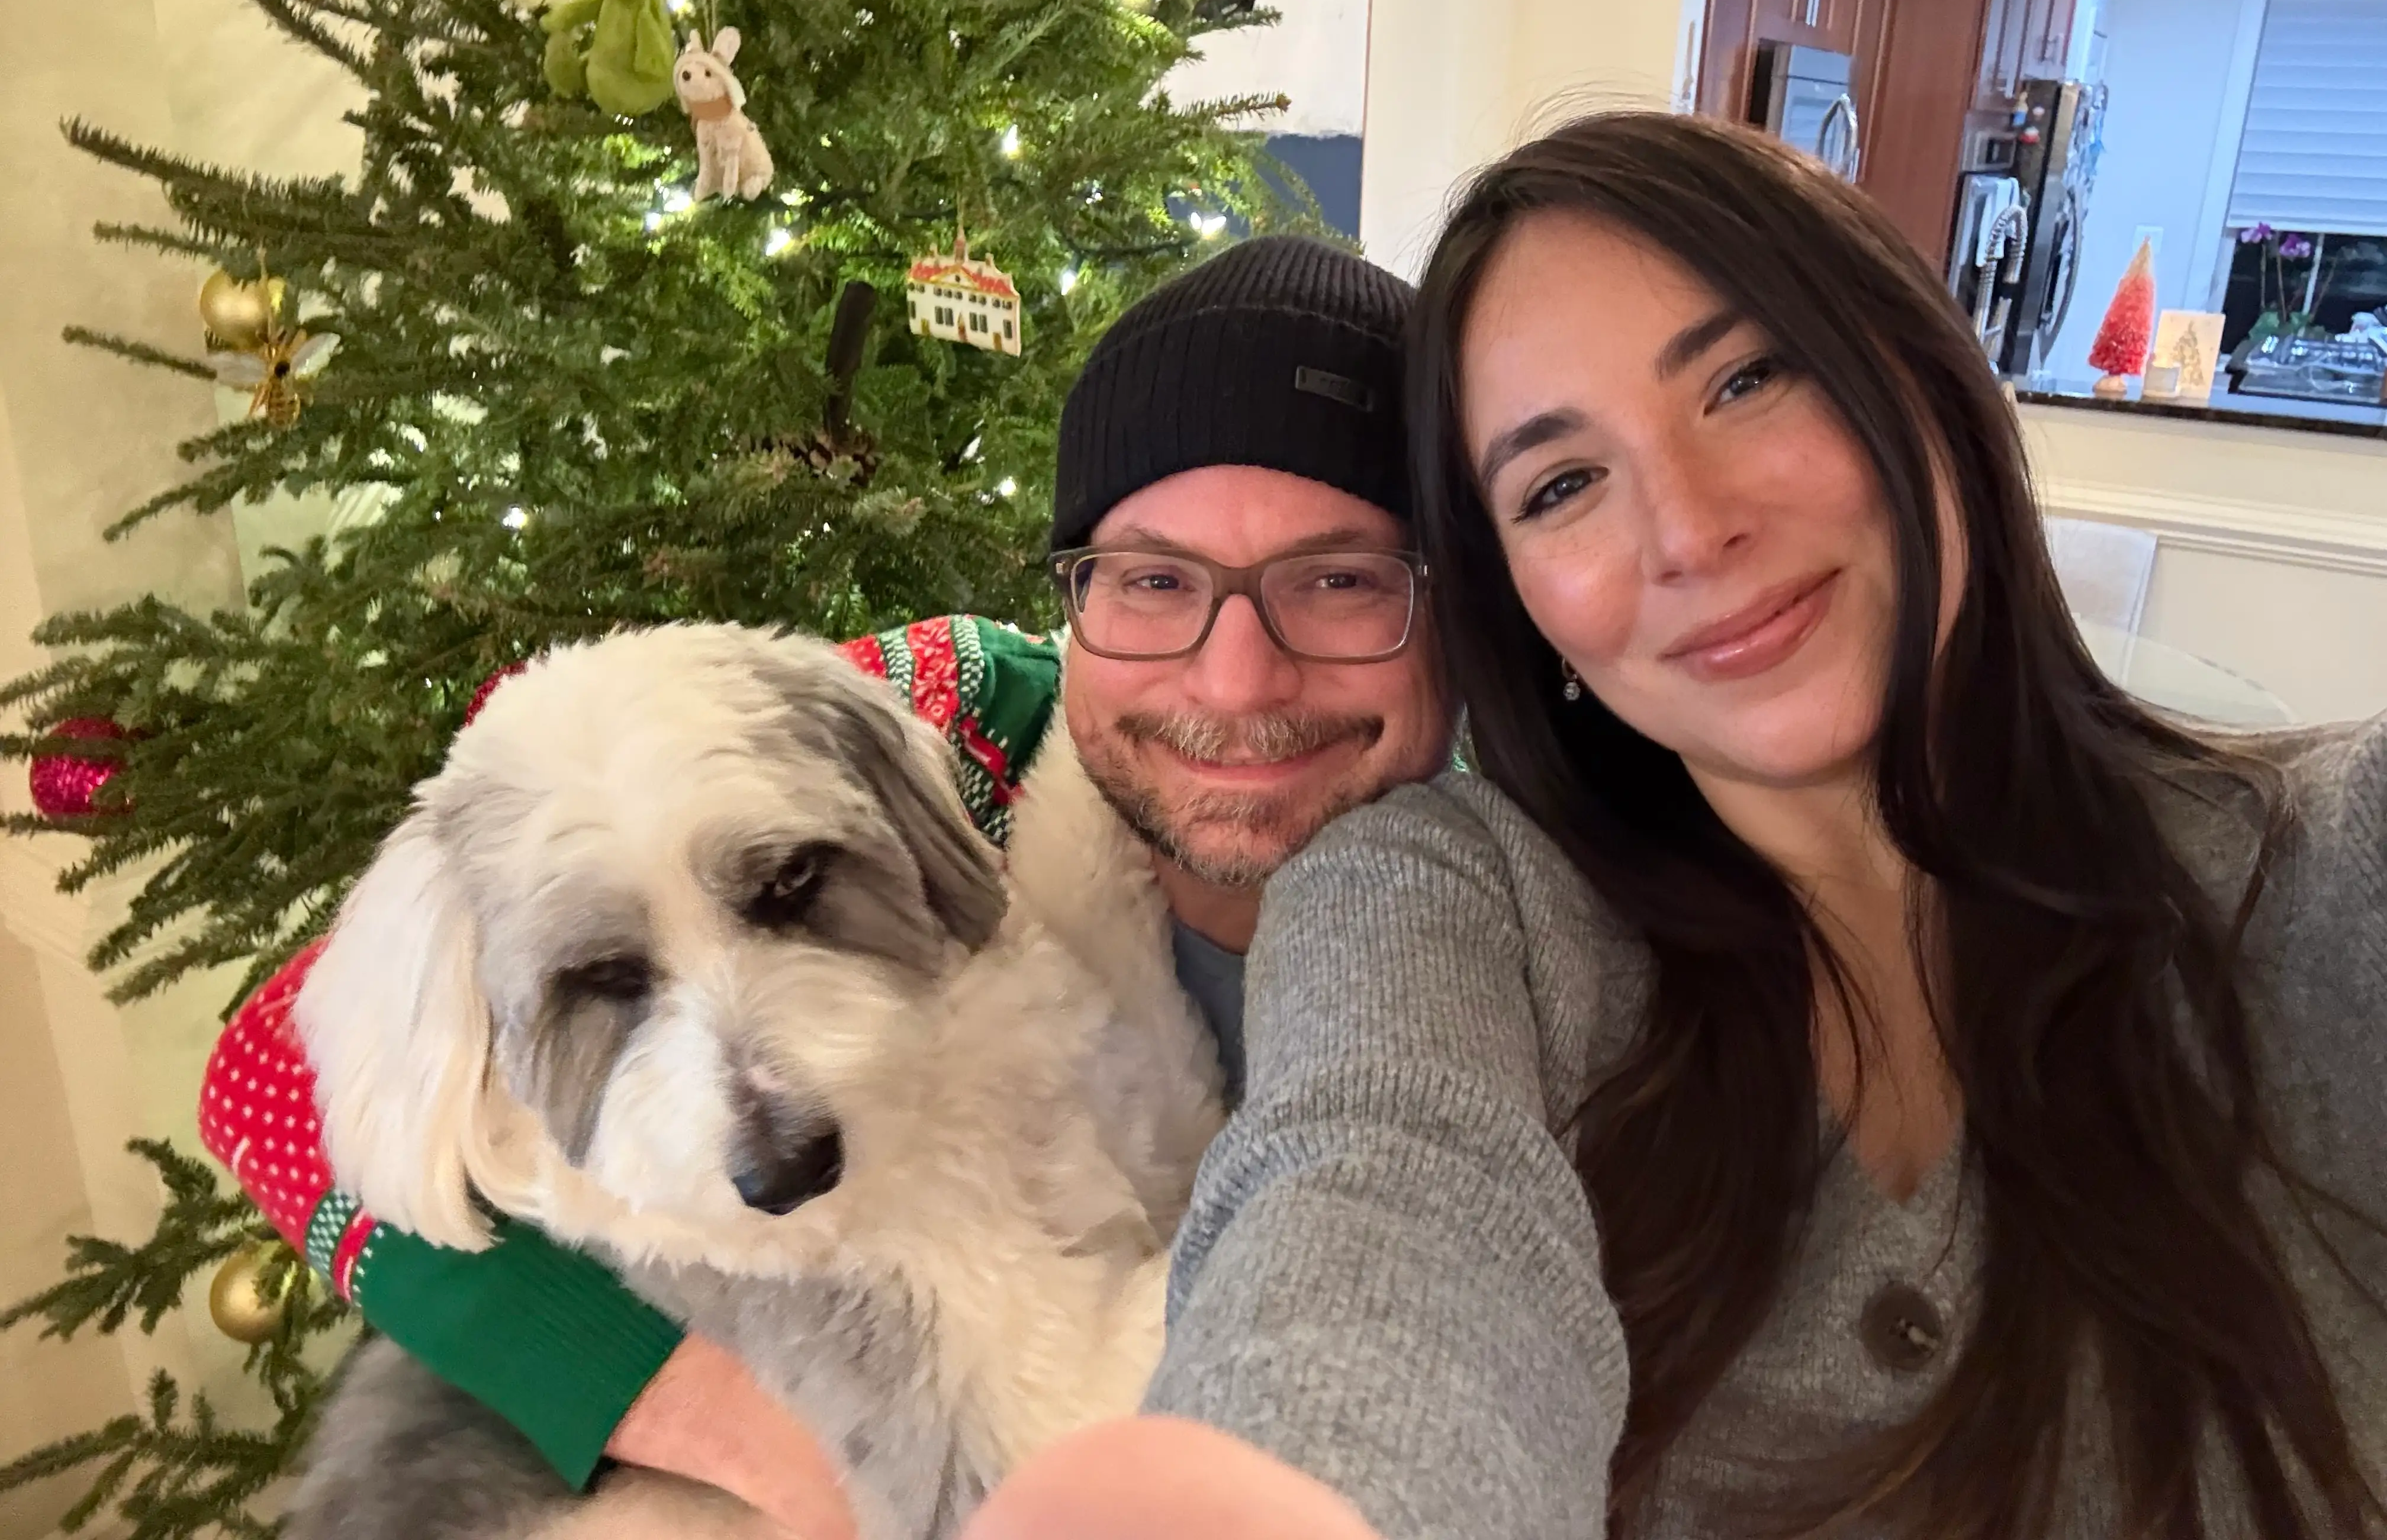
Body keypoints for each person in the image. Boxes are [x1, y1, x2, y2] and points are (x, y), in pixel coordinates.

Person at [963, 112, 2387, 1540]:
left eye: (1749, 380)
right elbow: (1377, 1193)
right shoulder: (1444, 906)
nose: (1690, 532)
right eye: (1563, 484)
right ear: (1525, 594)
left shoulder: (2334, 876)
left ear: (1919, 371)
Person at [197, 234, 1456, 1535]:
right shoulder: (954, 712)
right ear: (1074, 587)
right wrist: (703, 1413)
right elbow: (268, 1079)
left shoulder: (1534, 905)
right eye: (1149, 579)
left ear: (1463, 594)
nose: (1232, 680)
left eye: (1342, 581)